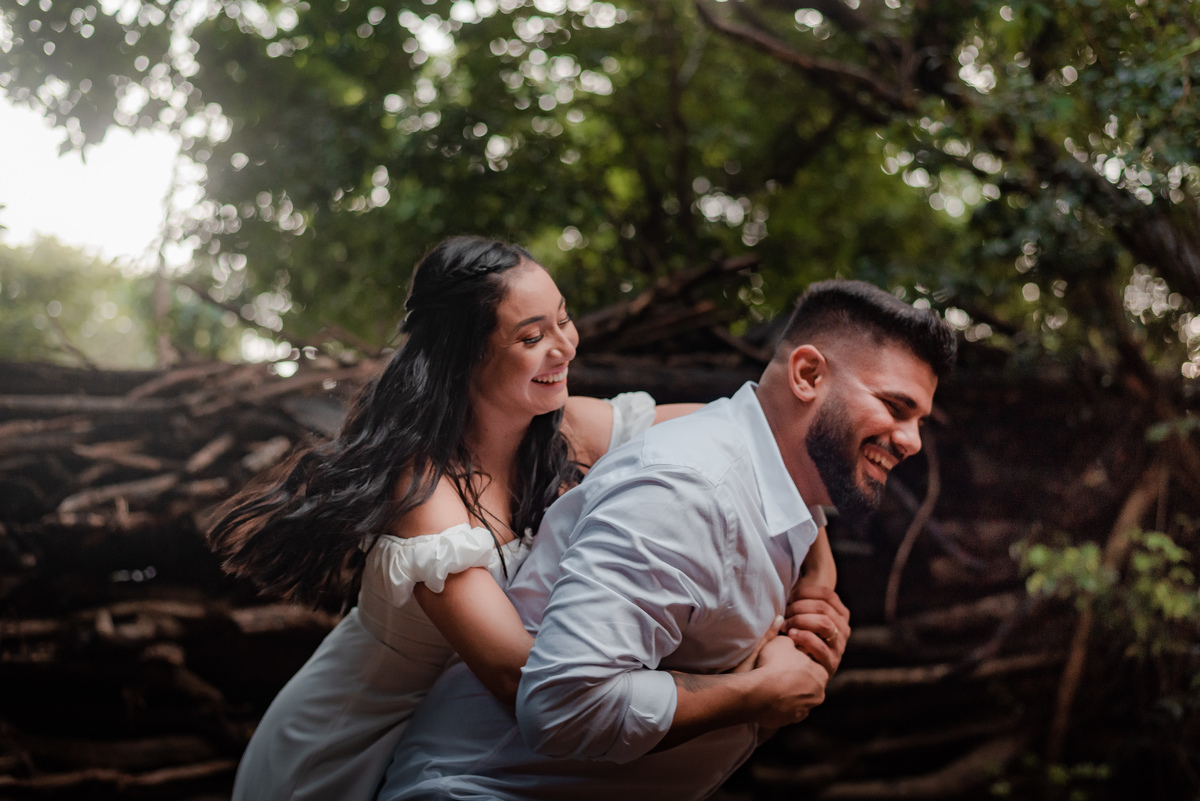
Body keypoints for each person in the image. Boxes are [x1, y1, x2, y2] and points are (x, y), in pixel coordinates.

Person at [206, 236, 840, 801]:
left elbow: (758, 440)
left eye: (564, 321)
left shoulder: (571, 429)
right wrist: (748, 689)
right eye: (532, 337)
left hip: (464, 734)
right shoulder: (422, 487)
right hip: (352, 740)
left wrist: (816, 574)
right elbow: (521, 677)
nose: (563, 347)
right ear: (463, 357)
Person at [375, 277, 956, 801]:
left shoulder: (774, 487)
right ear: (807, 375)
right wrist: (759, 693)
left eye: (920, 421)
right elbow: (560, 707)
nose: (911, 440)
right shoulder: (684, 493)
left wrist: (814, 600)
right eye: (895, 407)